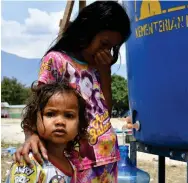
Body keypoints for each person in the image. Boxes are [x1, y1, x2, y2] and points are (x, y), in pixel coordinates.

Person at [13, 1, 131, 182]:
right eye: (104, 43)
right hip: (78, 161)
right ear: (88, 30)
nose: (106, 51)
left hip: (108, 159)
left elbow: (104, 111)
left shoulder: (98, 68)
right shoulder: (57, 61)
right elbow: (38, 105)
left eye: (111, 48)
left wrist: (105, 73)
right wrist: (31, 135)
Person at [6, 81, 89, 183]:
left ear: (79, 125)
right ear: (34, 120)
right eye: (50, 114)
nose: (60, 122)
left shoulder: (72, 163)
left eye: (69, 115)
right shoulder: (29, 161)